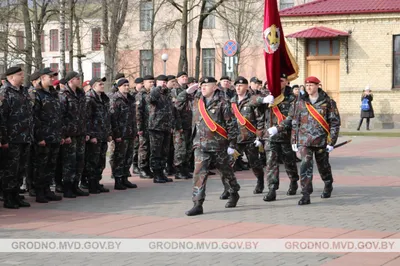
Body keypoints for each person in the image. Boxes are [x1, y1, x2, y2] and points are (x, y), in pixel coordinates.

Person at [271, 76, 341, 205]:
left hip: (321, 140)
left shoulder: (328, 102)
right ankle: (305, 193)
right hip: (304, 141)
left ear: (318, 86)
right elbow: (294, 122)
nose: (309, 87)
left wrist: (332, 142)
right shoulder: (300, 102)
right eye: (307, 85)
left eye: (312, 85)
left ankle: (328, 183)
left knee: (323, 166)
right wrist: (294, 140)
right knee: (305, 165)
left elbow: (335, 123)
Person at [176, 77, 241, 216]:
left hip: (219, 146)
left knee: (226, 173)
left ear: (214, 87)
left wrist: (232, 144)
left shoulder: (223, 103)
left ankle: (233, 191)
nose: (203, 88)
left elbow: (231, 124)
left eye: (206, 85)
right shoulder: (196, 101)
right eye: (202, 85)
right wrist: (186, 92)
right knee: (199, 174)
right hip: (200, 145)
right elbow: (177, 104)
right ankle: (197, 203)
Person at [251, 73, 300, 202]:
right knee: (271, 163)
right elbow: (252, 100)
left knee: (289, 162)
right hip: (270, 137)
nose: (278, 83)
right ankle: (272, 189)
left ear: (286, 82)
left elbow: (292, 117)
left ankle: (294, 180)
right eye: (276, 80)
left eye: (281, 80)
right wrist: (264, 100)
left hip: (285, 136)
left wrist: (278, 128)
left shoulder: (292, 97)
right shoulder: (267, 93)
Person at [0, 66, 33, 208]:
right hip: (12, 138)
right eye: (20, 74)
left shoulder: (24, 91)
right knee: (10, 169)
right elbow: (2, 118)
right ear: (11, 77)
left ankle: (16, 195)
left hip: (25, 137)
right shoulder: (5, 92)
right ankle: (8, 197)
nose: (22, 76)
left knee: (20, 169)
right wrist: (4, 139)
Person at [31, 68, 63, 203]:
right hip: (43, 136)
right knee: (41, 165)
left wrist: (60, 134)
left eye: (54, 76)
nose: (53, 78)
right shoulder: (36, 94)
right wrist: (39, 137)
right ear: (42, 77)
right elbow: (35, 117)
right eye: (50, 76)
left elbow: (58, 115)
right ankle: (39, 192)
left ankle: (47, 190)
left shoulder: (54, 94)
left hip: (54, 135)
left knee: (51, 165)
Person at [231, 77, 265, 194]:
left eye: (240, 86)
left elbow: (260, 119)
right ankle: (229, 187)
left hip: (250, 138)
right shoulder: (232, 102)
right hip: (235, 139)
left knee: (254, 163)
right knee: (228, 164)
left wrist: (259, 137)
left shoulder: (252, 101)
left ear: (246, 87)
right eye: (236, 86)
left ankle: (260, 182)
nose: (238, 88)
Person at [59, 71, 89, 198]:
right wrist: (65, 135)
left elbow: (84, 115)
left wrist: (86, 131)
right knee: (69, 161)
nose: (79, 80)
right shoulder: (63, 95)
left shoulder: (81, 94)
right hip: (70, 134)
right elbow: (61, 116)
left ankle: (75, 185)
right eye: (77, 78)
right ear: (71, 80)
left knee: (79, 160)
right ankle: (67, 187)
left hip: (80, 133)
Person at [85, 77, 113, 193]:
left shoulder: (104, 99)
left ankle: (97, 182)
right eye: (100, 84)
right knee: (93, 161)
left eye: (103, 83)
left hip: (103, 134)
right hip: (95, 135)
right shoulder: (89, 99)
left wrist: (109, 133)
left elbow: (107, 118)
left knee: (101, 161)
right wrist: (91, 135)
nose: (102, 85)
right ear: (93, 86)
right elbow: (87, 119)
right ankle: (91, 184)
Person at [110, 78, 137, 190]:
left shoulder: (130, 99)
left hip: (130, 133)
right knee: (119, 158)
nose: (127, 87)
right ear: (119, 86)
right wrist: (117, 134)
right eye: (124, 85)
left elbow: (133, 117)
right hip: (121, 134)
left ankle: (125, 178)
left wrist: (134, 131)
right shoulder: (116, 99)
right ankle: (118, 179)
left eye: (127, 85)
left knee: (128, 157)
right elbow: (113, 119)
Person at [148, 75, 174, 183]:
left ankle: (162, 172)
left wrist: (172, 125)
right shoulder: (154, 93)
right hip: (156, 127)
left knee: (164, 152)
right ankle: (156, 174)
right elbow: (151, 99)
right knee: (156, 152)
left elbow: (171, 110)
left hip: (166, 127)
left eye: (165, 82)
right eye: (161, 82)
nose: (163, 84)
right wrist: (156, 88)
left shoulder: (167, 95)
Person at [136, 75, 154, 179]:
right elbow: (138, 112)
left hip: (151, 126)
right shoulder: (141, 95)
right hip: (143, 126)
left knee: (149, 148)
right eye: (150, 82)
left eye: (153, 82)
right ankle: (142, 168)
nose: (152, 84)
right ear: (144, 83)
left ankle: (147, 168)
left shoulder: (151, 94)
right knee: (143, 147)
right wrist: (139, 128)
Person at [131, 77, 143, 174]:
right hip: (134, 124)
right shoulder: (132, 95)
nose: (142, 85)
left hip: (141, 124)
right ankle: (134, 165)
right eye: (140, 83)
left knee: (141, 146)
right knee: (135, 147)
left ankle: (139, 164)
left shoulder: (143, 95)